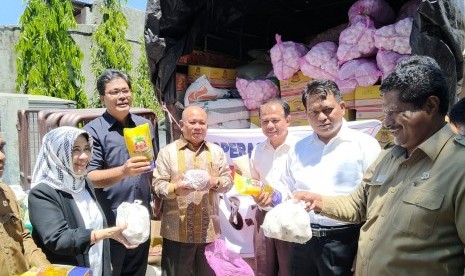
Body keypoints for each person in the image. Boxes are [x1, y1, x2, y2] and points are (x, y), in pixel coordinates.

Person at [294, 55, 465, 275]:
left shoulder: (458, 166)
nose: (387, 123)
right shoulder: (388, 157)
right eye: (386, 113)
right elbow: (357, 206)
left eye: (395, 112)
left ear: (430, 106)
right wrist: (316, 201)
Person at [282, 79, 381, 276]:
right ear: (306, 114)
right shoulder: (298, 149)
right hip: (303, 240)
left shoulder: (365, 145)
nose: (322, 117)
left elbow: (377, 202)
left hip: (346, 241)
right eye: (314, 112)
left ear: (342, 107)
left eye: (328, 109)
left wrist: (363, 249)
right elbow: (288, 190)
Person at [28, 127, 135, 276]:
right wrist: (105, 233)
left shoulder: (84, 184)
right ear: (56, 153)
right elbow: (58, 239)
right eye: (75, 150)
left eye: (87, 149)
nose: (84, 156)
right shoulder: (43, 193)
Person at [84, 69, 157, 276]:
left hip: (141, 213)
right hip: (110, 219)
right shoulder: (93, 131)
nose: (122, 96)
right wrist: (123, 171)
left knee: (137, 271)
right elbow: (90, 177)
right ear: (102, 98)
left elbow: (152, 166)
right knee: (112, 270)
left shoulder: (145, 126)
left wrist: (156, 197)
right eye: (114, 92)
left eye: (125, 90)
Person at [152, 106, 233, 276]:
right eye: (192, 122)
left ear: (207, 127)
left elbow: (228, 181)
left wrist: (214, 182)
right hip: (177, 234)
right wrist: (175, 189)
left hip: (208, 232)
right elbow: (158, 186)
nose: (197, 127)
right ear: (181, 125)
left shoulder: (216, 152)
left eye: (202, 123)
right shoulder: (167, 153)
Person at [249, 98, 299, 276]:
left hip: (291, 218)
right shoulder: (257, 150)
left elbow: (307, 186)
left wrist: (280, 198)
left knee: (290, 269)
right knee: (263, 269)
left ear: (288, 119)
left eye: (275, 120)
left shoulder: (301, 149)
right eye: (265, 121)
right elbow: (254, 181)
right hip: (264, 217)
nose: (270, 126)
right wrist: (255, 194)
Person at [0, 134, 50, 275]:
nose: (2, 157)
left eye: (1, 148)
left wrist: (47, 269)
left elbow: (24, 238)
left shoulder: (6, 192)